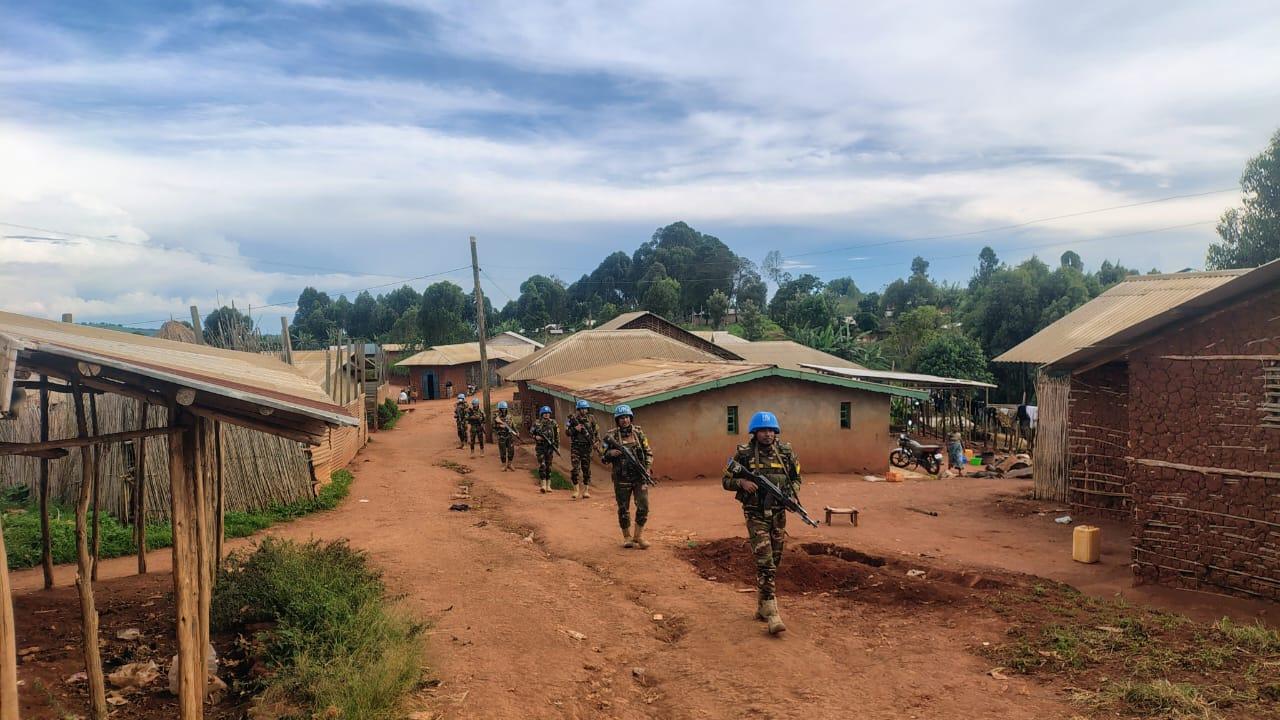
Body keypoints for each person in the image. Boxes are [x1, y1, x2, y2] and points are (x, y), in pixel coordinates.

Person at [722, 410, 800, 635]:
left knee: (775, 561)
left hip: (778, 514)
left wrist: (793, 495)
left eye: (771, 430)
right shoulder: (744, 454)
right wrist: (742, 483)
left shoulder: (785, 453)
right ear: (754, 433)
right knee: (765, 562)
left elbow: (796, 478)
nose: (767, 435)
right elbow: (726, 480)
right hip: (756, 514)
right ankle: (773, 614)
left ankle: (761, 606)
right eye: (762, 431)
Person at [601, 405, 652, 550]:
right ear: (617, 420)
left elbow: (648, 452)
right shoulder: (611, 436)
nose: (625, 420)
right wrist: (611, 454)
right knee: (623, 508)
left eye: (627, 417)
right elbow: (603, 457)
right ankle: (627, 537)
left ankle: (639, 536)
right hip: (621, 478)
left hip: (639, 476)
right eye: (622, 418)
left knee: (644, 505)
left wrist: (647, 468)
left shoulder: (638, 433)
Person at [565, 399, 600, 500]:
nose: (584, 411)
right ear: (578, 409)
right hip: (576, 446)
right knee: (575, 469)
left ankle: (586, 490)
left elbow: (596, 431)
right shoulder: (572, 419)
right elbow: (567, 432)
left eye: (585, 409)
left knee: (586, 469)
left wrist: (597, 441)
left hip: (587, 447)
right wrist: (575, 430)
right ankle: (576, 490)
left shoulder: (591, 418)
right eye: (582, 409)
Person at [531, 406, 559, 493]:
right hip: (540, 447)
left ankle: (548, 485)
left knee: (549, 466)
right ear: (542, 414)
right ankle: (543, 485)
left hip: (550, 447)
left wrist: (557, 446)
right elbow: (531, 433)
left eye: (548, 413)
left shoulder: (553, 423)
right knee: (542, 465)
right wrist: (536, 437)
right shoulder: (537, 423)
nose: (547, 415)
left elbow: (557, 435)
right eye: (545, 413)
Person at [493, 401, 517, 471]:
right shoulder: (496, 417)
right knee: (503, 451)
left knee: (511, 450)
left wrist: (516, 431)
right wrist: (500, 425)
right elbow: (493, 426)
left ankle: (510, 464)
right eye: (502, 409)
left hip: (509, 435)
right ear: (499, 409)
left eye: (505, 409)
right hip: (501, 436)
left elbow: (513, 425)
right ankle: (504, 465)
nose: (503, 410)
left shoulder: (509, 416)